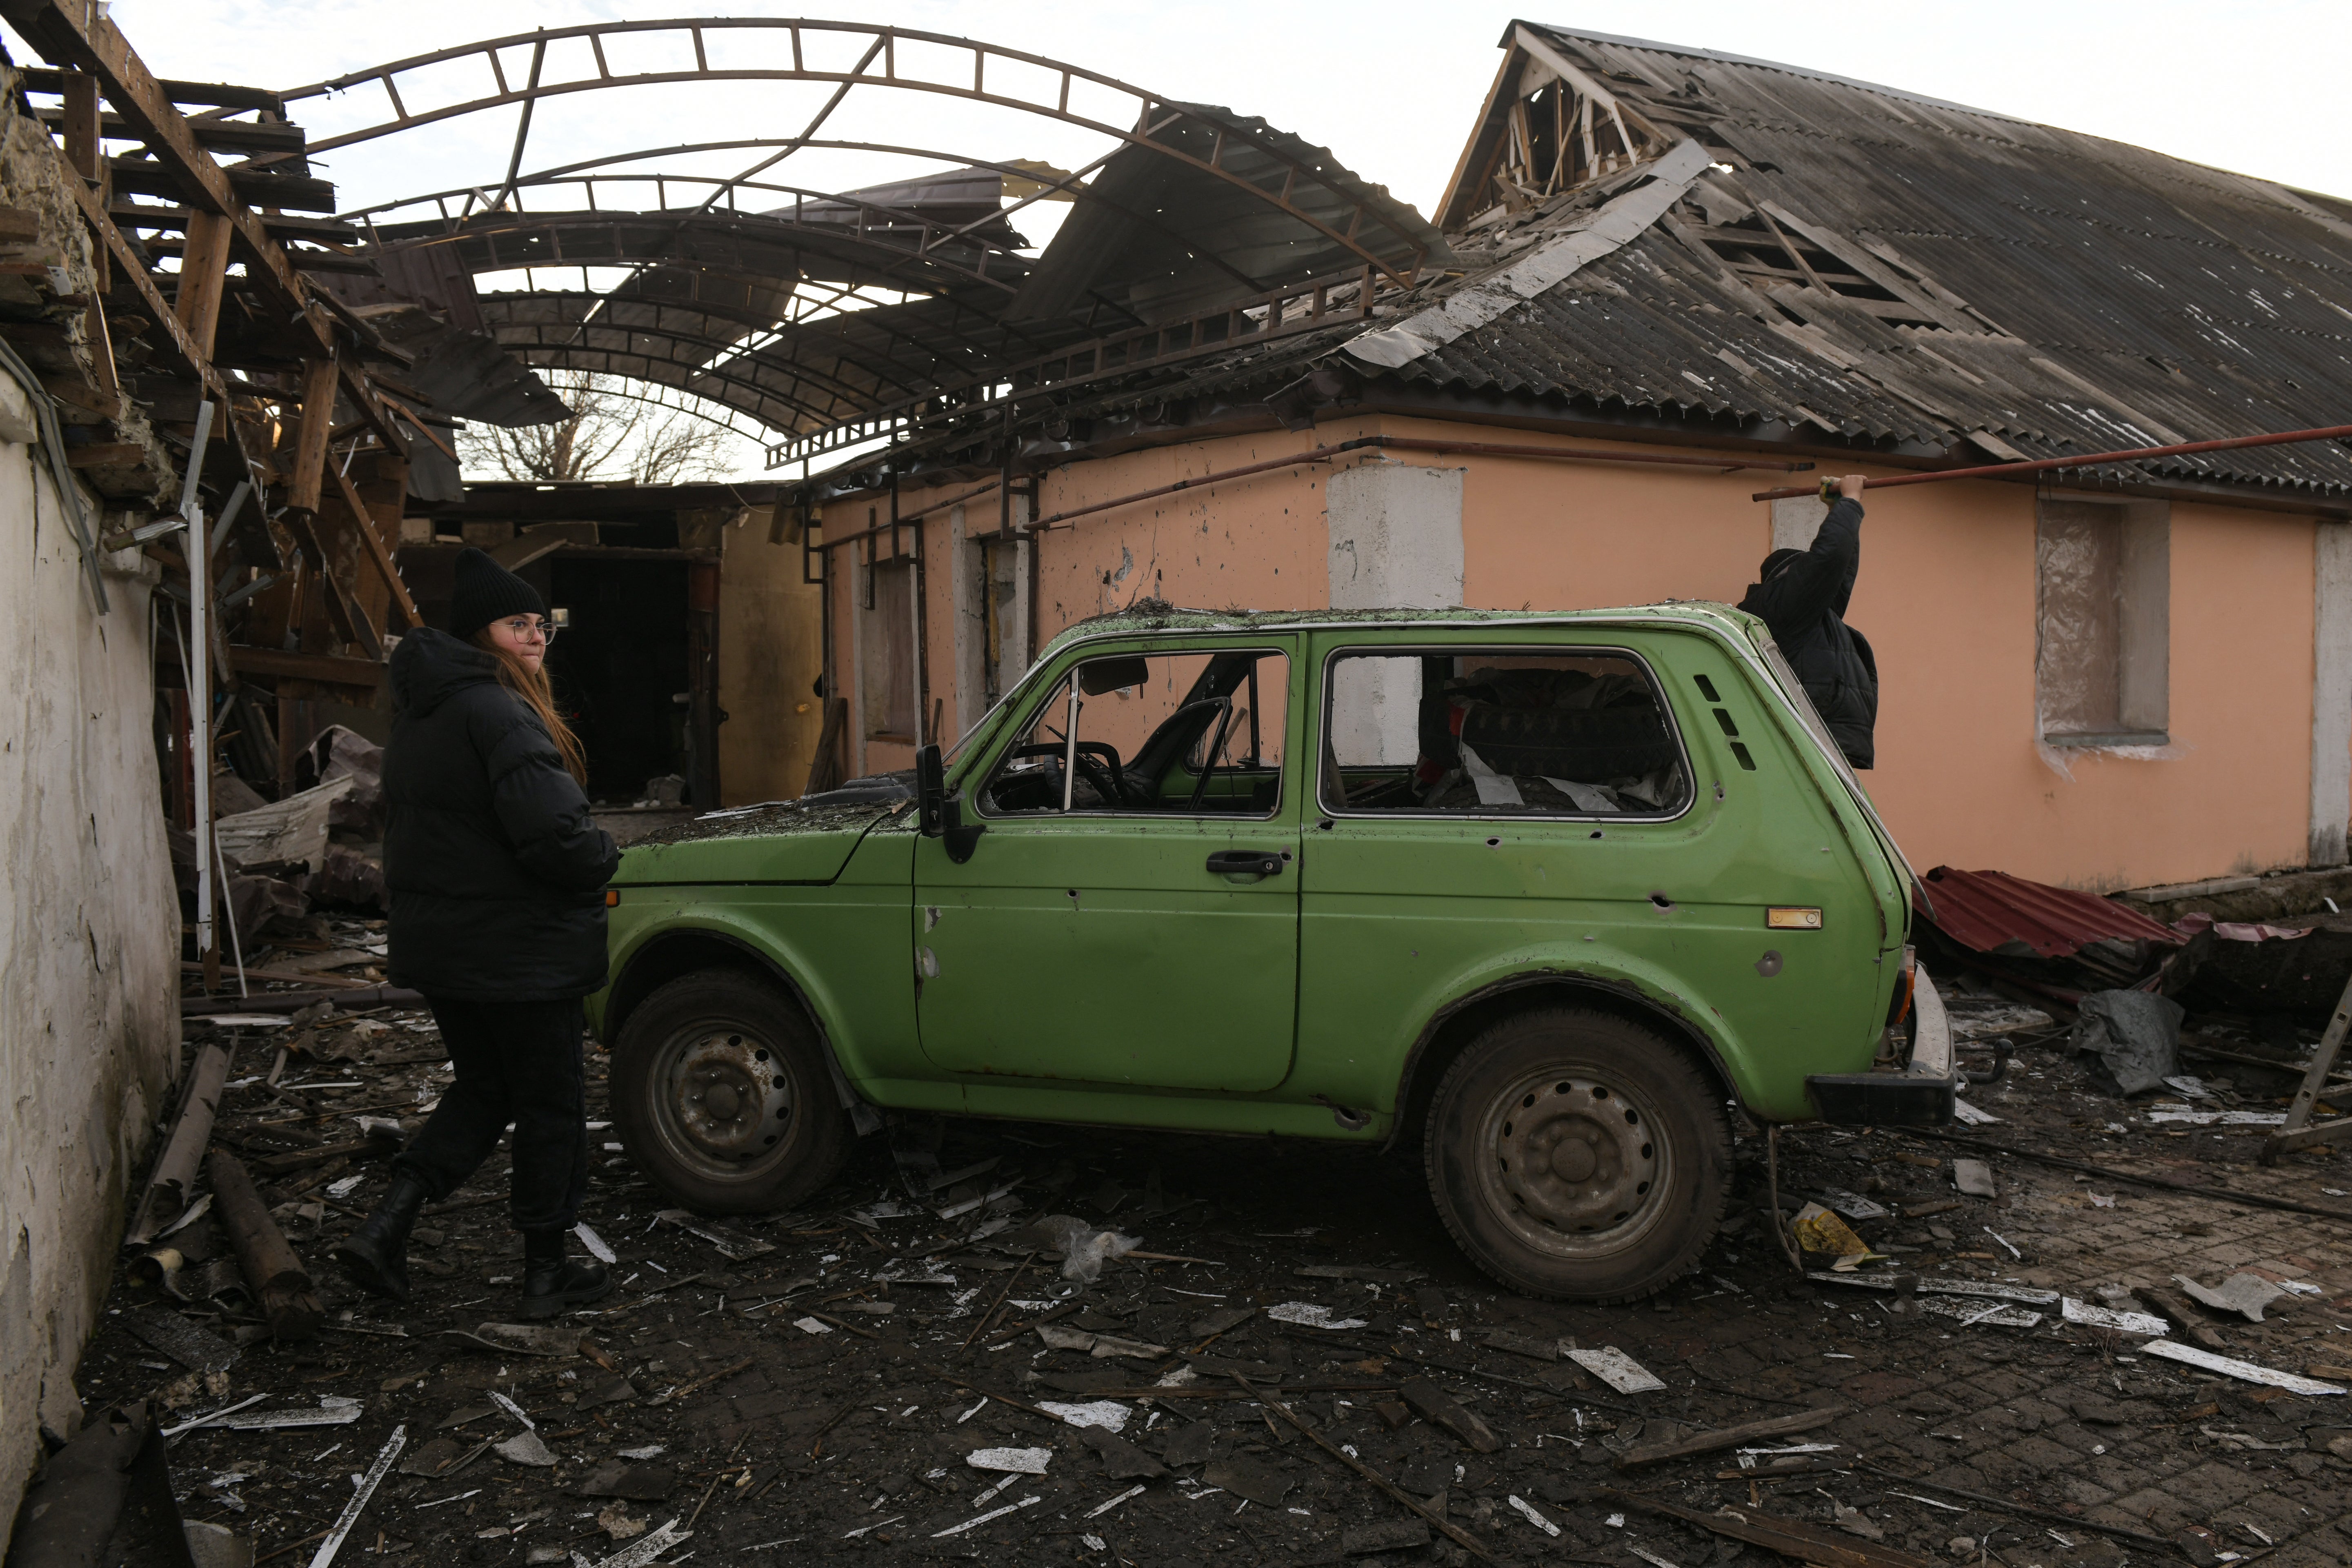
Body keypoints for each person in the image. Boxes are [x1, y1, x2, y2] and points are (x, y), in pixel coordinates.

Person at [333, 549, 620, 1318]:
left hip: (450, 949)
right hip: (519, 951)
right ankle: (546, 1272)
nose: (534, 638)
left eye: (540, 625)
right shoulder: (499, 710)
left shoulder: (424, 712)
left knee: (487, 1088)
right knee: (553, 1103)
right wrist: (607, 858)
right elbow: (555, 838)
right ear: (477, 633)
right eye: (516, 624)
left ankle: (385, 1225)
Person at [1737, 474, 1878, 770]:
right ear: (1787, 579)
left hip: (1821, 739)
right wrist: (1851, 501)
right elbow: (1828, 560)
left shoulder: (1808, 616)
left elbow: (1839, 572)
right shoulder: (1784, 607)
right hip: (1808, 740)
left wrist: (1835, 507)